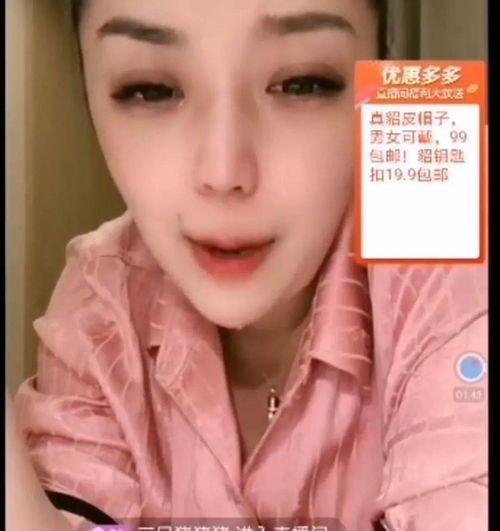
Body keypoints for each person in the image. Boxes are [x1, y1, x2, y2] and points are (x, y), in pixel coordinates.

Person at [7, 1, 487, 530]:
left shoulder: (450, 228)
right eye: (151, 89)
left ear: (378, 75)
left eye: (303, 83)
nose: (223, 172)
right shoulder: (103, 289)